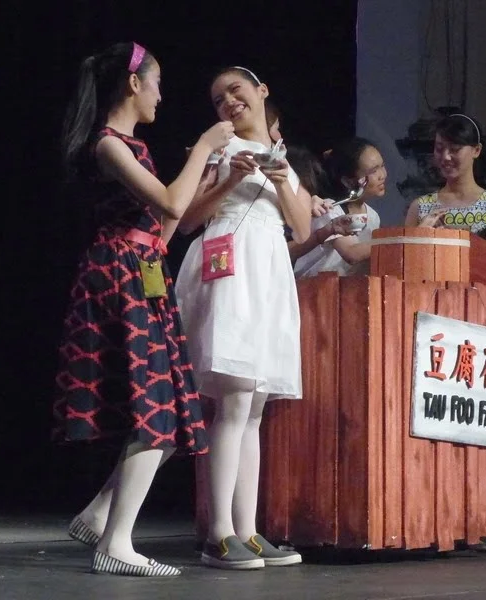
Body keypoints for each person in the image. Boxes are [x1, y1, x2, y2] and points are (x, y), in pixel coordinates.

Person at [54, 41, 234, 577]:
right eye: (156, 82)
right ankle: (116, 543)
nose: (161, 94)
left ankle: (99, 516)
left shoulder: (134, 148)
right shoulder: (108, 146)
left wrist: (220, 182)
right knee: (153, 407)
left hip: (145, 271)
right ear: (133, 84)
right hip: (119, 276)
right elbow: (171, 205)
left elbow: (170, 224)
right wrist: (202, 147)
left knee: (175, 409)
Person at [174, 66, 309, 570]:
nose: (229, 102)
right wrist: (230, 176)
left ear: (262, 92)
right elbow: (186, 219)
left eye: (236, 91)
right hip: (230, 269)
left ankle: (248, 532)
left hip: (268, 273)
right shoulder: (218, 151)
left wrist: (281, 181)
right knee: (233, 404)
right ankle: (218, 533)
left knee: (253, 409)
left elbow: (299, 229)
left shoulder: (284, 162)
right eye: (217, 99)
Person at [405, 114, 486, 246]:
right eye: (439, 149)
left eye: (455, 149)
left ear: (476, 150)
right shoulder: (420, 207)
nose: (446, 157)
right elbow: (407, 259)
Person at [291, 137, 387, 278]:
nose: (382, 175)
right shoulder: (329, 209)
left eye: (382, 166)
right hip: (311, 290)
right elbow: (352, 254)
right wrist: (398, 243)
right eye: (373, 171)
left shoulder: (373, 216)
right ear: (348, 181)